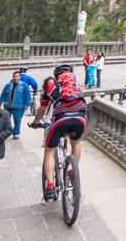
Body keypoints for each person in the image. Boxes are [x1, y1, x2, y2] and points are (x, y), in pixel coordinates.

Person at [29, 65, 88, 200]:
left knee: (49, 150)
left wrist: (35, 122)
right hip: (80, 119)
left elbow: (43, 109)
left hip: (61, 119)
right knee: (76, 143)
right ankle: (73, 171)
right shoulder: (78, 86)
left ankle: (50, 184)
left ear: (57, 77)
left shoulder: (52, 87)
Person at [0, 71, 31, 139]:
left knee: (17, 120)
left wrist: (27, 104)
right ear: (13, 77)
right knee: (6, 121)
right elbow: (2, 95)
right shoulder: (8, 85)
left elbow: (27, 95)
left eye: (17, 76)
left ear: (20, 77)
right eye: (14, 76)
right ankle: (6, 132)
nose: (16, 77)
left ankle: (16, 133)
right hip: (8, 106)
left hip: (19, 107)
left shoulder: (24, 85)